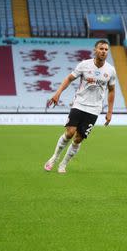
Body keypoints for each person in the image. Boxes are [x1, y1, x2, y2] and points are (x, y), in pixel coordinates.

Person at [43, 39, 117, 173]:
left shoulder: (111, 70)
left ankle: (63, 164)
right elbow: (69, 79)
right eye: (101, 48)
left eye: (106, 49)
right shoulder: (84, 65)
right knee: (70, 133)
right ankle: (55, 157)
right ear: (95, 50)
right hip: (79, 104)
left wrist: (110, 112)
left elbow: (112, 90)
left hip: (94, 109)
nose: (103, 51)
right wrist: (57, 93)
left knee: (78, 138)